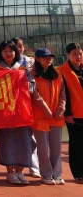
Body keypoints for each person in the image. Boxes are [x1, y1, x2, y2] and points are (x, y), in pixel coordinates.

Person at [0, 40, 34, 185]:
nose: (8, 53)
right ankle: (10, 172)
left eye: (11, 51)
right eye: (5, 51)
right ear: (0, 53)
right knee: (6, 140)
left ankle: (20, 171)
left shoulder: (22, 69)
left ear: (16, 52)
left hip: (21, 110)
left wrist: (23, 85)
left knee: (24, 140)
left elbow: (32, 86)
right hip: (4, 111)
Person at [31, 48, 65, 185]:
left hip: (56, 117)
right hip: (41, 117)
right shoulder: (32, 75)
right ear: (37, 59)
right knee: (43, 148)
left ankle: (57, 174)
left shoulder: (57, 74)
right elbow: (35, 95)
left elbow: (62, 94)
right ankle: (46, 174)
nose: (48, 59)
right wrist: (47, 112)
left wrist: (60, 109)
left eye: (50, 57)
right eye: (45, 57)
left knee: (56, 147)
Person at [12, 36, 40, 178]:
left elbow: (37, 79)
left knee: (32, 138)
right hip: (13, 106)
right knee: (16, 137)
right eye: (15, 46)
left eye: (20, 46)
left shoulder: (31, 62)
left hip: (30, 103)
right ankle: (16, 166)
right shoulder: (6, 64)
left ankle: (33, 166)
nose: (18, 49)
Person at [57, 42, 83, 183]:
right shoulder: (62, 71)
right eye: (74, 54)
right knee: (76, 144)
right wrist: (67, 113)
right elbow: (63, 94)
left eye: (80, 54)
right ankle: (78, 173)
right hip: (74, 113)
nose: (78, 56)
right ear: (67, 55)